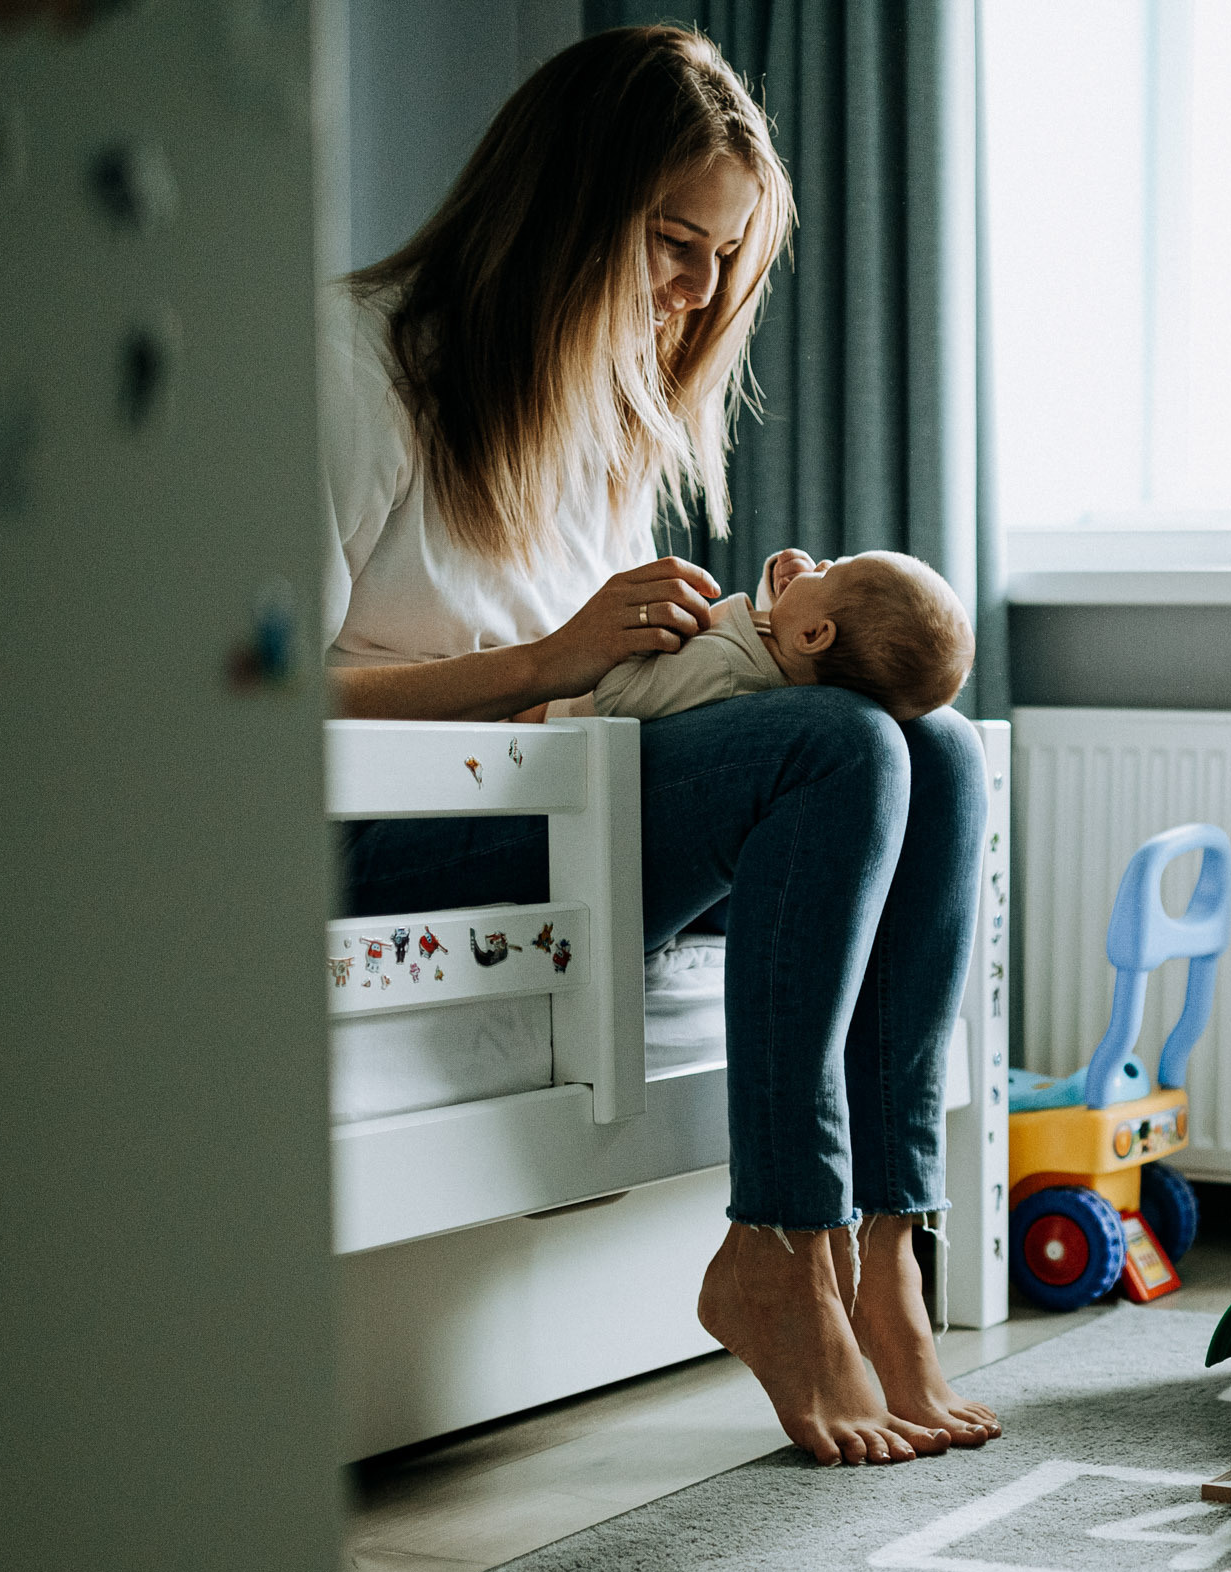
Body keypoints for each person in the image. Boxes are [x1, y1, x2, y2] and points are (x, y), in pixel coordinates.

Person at [326, 26, 997, 1469]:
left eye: (722, 261)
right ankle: (778, 1241)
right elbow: (231, 706)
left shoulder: (597, 413)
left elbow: (625, 700)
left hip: (563, 814)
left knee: (930, 752)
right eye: (671, 243)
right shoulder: (352, 365)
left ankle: (882, 1249)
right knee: (840, 751)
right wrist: (547, 659)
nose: (695, 291)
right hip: (396, 841)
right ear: (564, 205)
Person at [539, 548, 974, 724]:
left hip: (552, 724)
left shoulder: (723, 668)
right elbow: (771, 639)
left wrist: (645, 628)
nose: (818, 565)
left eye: (828, 573)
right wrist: (778, 593)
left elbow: (616, 698)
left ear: (813, 634)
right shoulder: (779, 662)